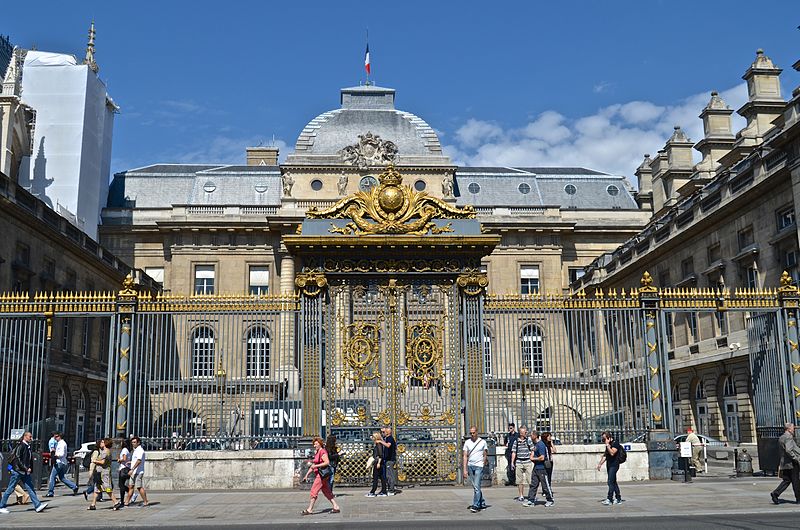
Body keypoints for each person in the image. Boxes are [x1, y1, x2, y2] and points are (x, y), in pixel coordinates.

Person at [0, 431, 49, 514]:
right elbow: (18, 459)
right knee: (10, 488)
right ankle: (1, 506)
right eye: (30, 437)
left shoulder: (26, 446)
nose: (31, 438)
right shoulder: (21, 446)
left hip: (23, 471)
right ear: (25, 437)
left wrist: (27, 469)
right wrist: (26, 468)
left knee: (30, 488)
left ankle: (37, 505)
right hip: (18, 471)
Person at [301, 436, 341, 515]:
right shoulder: (317, 452)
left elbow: (326, 462)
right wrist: (306, 475)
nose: (314, 445)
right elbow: (314, 464)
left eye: (316, 444)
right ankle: (336, 507)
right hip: (321, 475)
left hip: (321, 475)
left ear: (320, 444)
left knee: (314, 491)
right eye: (314, 444)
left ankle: (310, 509)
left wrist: (316, 466)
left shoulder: (322, 451)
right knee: (326, 491)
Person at [771, 422, 800, 504]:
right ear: (789, 429)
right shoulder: (788, 437)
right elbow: (789, 450)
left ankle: (775, 493)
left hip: (785, 463)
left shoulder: (781, 437)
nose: (794, 429)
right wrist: (795, 459)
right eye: (793, 428)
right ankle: (798, 498)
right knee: (796, 481)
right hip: (792, 463)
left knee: (787, 480)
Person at [88, 438, 121, 510]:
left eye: (102, 442)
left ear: (106, 444)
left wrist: (94, 461)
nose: (101, 443)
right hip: (99, 472)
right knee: (97, 488)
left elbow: (102, 462)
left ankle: (116, 502)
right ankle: (93, 504)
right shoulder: (103, 451)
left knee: (107, 488)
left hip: (104, 472)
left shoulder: (105, 452)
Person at [524, 430, 554, 507]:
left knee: (545, 485)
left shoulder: (540, 445)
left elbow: (542, 457)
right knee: (533, 484)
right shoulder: (536, 444)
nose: (530, 437)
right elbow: (533, 452)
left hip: (542, 468)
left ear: (535, 436)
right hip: (536, 468)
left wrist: (533, 458)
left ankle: (550, 500)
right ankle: (531, 500)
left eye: (531, 435)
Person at [463, 426, 488, 513]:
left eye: (473, 433)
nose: (472, 434)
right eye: (471, 433)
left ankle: (476, 505)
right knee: (475, 486)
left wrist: (483, 464)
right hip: (470, 465)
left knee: (477, 486)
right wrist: (465, 469)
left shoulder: (482, 442)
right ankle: (482, 502)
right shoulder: (467, 442)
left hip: (479, 466)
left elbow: (485, 454)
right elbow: (465, 456)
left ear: (477, 432)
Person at [46, 432, 78, 497]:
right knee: (62, 478)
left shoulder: (62, 444)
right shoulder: (60, 443)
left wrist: (56, 455)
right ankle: (74, 486)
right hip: (62, 462)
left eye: (56, 436)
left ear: (60, 437)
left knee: (52, 477)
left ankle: (50, 492)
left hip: (59, 462)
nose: (55, 438)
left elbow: (62, 454)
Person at [596, 431, 623, 505]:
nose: (604, 441)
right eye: (603, 439)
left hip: (614, 465)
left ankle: (609, 498)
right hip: (609, 465)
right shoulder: (608, 445)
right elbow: (605, 455)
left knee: (610, 482)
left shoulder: (615, 444)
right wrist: (600, 464)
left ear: (609, 438)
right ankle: (618, 498)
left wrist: (608, 445)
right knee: (613, 482)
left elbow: (612, 453)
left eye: (605, 439)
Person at [124, 436, 149, 507]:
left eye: (134, 442)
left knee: (139, 487)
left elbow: (139, 460)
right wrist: (130, 462)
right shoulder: (136, 450)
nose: (133, 444)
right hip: (134, 472)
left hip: (138, 472)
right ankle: (126, 502)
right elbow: (136, 460)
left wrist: (132, 469)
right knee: (131, 486)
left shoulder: (140, 450)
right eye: (132, 442)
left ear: (138, 442)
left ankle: (145, 501)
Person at [510, 425, 532, 502]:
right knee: (519, 481)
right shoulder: (516, 441)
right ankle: (521, 495)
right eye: (525, 432)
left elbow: (532, 449)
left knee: (530, 480)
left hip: (527, 462)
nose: (526, 433)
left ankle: (531, 495)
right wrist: (512, 462)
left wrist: (532, 458)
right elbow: (514, 452)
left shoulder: (528, 440)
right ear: (521, 433)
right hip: (519, 462)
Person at [365, 432, 387, 497]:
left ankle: (373, 492)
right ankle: (384, 491)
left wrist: (379, 463)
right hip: (379, 462)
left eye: (373, 437)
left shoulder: (378, 444)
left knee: (375, 477)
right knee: (382, 477)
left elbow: (380, 454)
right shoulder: (378, 443)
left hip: (378, 462)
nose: (372, 438)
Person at [379, 426, 398, 494]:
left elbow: (388, 445)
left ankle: (391, 489)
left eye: (384, 432)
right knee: (387, 475)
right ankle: (389, 487)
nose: (382, 433)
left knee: (390, 475)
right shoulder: (386, 438)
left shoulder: (390, 438)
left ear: (387, 432)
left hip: (390, 460)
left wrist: (380, 441)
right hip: (387, 459)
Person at [117, 438, 132, 507]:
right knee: (121, 485)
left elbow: (124, 459)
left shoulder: (124, 450)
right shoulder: (128, 450)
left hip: (123, 469)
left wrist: (119, 460)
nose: (120, 443)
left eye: (121, 442)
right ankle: (129, 494)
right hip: (126, 468)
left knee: (121, 485)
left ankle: (123, 500)